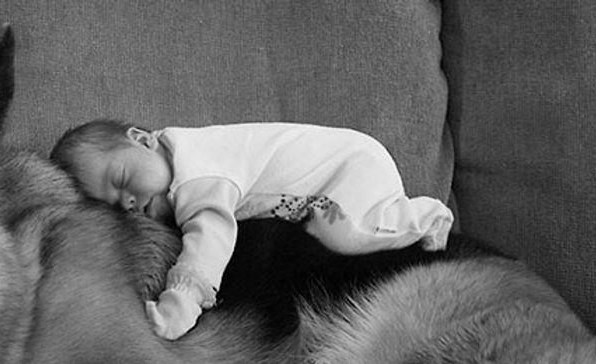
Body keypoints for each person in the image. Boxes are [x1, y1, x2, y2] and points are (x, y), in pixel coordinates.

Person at [50, 120, 454, 340]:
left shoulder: (196, 173)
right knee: (328, 237)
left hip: (345, 168)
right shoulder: (187, 157)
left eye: (121, 179)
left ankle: (422, 219)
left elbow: (211, 239)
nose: (127, 202)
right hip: (344, 165)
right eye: (114, 203)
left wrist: (182, 302)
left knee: (346, 238)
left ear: (142, 140)